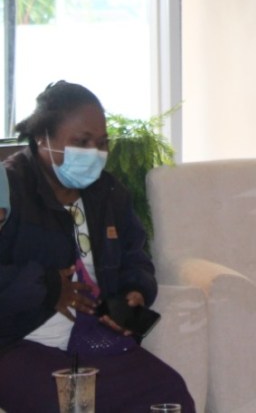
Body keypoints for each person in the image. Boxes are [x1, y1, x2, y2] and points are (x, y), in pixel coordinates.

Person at [0, 81, 195, 412]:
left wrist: (135, 291)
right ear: (42, 138)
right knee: (70, 402)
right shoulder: (10, 189)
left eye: (102, 143)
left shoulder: (108, 193)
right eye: (81, 142)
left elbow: (135, 255)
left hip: (95, 344)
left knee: (168, 392)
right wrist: (48, 288)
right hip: (18, 344)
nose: (94, 152)